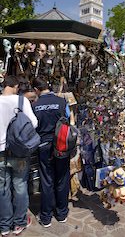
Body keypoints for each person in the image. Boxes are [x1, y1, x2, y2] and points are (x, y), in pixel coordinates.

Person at [0, 75, 38, 236]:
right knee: (20, 187)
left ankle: (4, 225)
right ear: (15, 86)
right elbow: (33, 123)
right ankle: (19, 223)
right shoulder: (22, 102)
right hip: (19, 152)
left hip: (0, 152)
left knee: (2, 189)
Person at [31, 76, 70, 227]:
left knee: (47, 181)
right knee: (62, 178)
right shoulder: (62, 101)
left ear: (36, 90)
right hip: (61, 146)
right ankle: (61, 213)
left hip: (44, 146)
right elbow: (67, 118)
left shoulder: (35, 105)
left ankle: (46, 217)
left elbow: (33, 125)